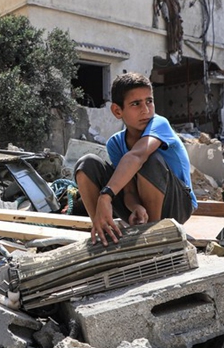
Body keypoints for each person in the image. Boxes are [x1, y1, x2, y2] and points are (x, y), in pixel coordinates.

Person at [74, 72, 197, 246]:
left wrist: (106, 196)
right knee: (87, 164)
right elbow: (129, 190)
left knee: (148, 157)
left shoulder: (159, 124)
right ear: (117, 111)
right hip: (141, 205)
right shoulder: (115, 143)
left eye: (149, 101)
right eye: (136, 104)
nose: (146, 110)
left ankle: (154, 237)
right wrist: (135, 207)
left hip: (177, 206)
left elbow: (138, 156)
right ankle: (103, 233)